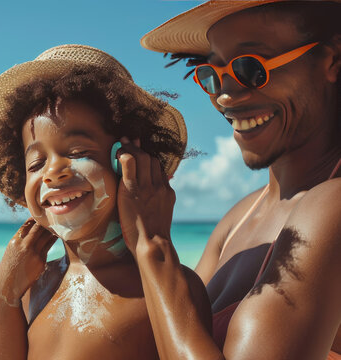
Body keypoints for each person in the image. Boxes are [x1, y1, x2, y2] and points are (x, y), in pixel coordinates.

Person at [122, 1, 341, 359]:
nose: (225, 95)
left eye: (251, 69)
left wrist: (152, 244)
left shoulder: (333, 206)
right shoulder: (238, 217)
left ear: (332, 60)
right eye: (212, 74)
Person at [0, 44, 211, 359]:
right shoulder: (33, 287)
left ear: (127, 161)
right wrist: (3, 299)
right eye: (35, 164)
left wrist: (152, 244)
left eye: (77, 152)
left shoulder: (164, 287)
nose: (52, 173)